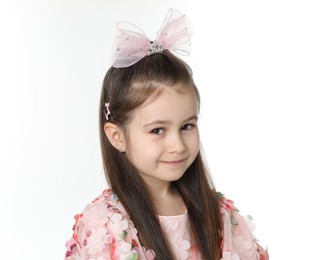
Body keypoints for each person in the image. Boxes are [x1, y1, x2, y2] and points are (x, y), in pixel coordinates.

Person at [64, 8, 269, 260]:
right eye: (158, 130)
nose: (177, 145)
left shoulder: (220, 215)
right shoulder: (106, 225)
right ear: (117, 136)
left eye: (187, 126)